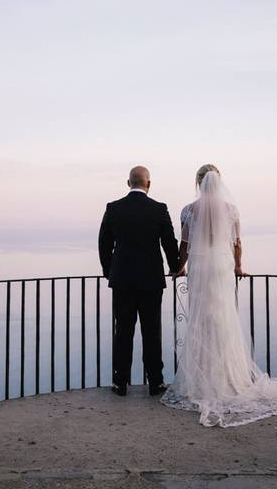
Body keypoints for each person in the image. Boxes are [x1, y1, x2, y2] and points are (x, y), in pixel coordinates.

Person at [161, 165, 277, 427]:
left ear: (198, 183)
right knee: (223, 320)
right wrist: (237, 267)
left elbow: (185, 245)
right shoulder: (231, 209)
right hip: (222, 267)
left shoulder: (189, 210)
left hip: (201, 268)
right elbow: (237, 243)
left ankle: (202, 382)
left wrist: (180, 267)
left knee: (201, 320)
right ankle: (226, 379)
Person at [98, 166, 180, 396]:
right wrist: (175, 268)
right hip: (152, 280)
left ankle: (120, 382)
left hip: (122, 280)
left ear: (128, 183)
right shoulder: (159, 209)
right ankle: (155, 382)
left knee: (123, 331)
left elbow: (104, 244)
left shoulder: (113, 208)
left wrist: (109, 271)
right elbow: (169, 243)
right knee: (151, 331)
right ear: (149, 184)